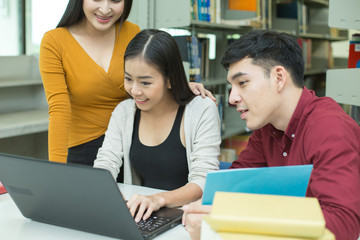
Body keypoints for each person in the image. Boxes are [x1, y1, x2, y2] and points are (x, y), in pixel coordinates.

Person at [182, 29, 360, 240]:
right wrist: (203, 207)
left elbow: (342, 226)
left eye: (242, 83)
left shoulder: (330, 128)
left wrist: (238, 217)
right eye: (231, 86)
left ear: (278, 77)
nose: (232, 98)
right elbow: (233, 186)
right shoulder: (267, 127)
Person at [39, 0, 215, 171]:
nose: (106, 9)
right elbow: (59, 110)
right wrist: (56, 171)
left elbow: (149, 80)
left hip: (130, 141)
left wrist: (177, 84)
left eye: (116, 0)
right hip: (82, 147)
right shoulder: (54, 41)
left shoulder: (132, 32)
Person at [93, 29, 221, 223]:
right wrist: (106, 190)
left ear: (171, 79)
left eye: (145, 82)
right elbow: (105, 163)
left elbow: (203, 181)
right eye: (128, 79)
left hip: (187, 218)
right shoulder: (124, 112)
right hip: (142, 215)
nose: (134, 90)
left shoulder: (201, 110)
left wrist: (158, 199)